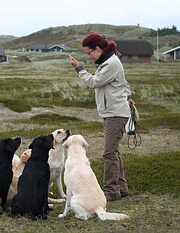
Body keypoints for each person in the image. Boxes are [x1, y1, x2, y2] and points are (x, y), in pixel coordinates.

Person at [69, 31, 134, 201]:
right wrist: (127, 96)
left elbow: (94, 82)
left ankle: (111, 191)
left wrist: (79, 69)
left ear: (97, 49)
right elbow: (124, 84)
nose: (89, 57)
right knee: (113, 152)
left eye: (89, 53)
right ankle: (121, 188)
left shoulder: (110, 64)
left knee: (109, 153)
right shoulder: (108, 62)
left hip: (115, 113)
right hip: (113, 112)